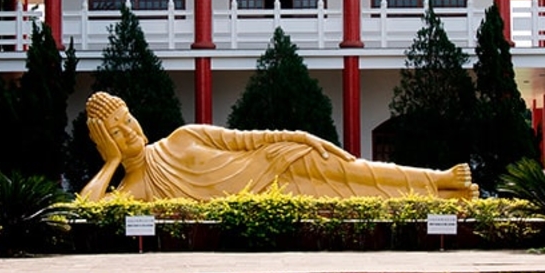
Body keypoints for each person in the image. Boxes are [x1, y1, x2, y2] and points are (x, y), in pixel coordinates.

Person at [78, 91, 479, 202]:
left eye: (128, 121)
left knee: (359, 171)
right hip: (277, 194)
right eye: (116, 133)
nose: (129, 133)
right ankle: (444, 198)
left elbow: (248, 139)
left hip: (278, 159)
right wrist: (111, 163)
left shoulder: (183, 137)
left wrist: (301, 137)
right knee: (355, 197)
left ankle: (439, 178)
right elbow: (86, 210)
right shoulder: (138, 188)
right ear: (102, 142)